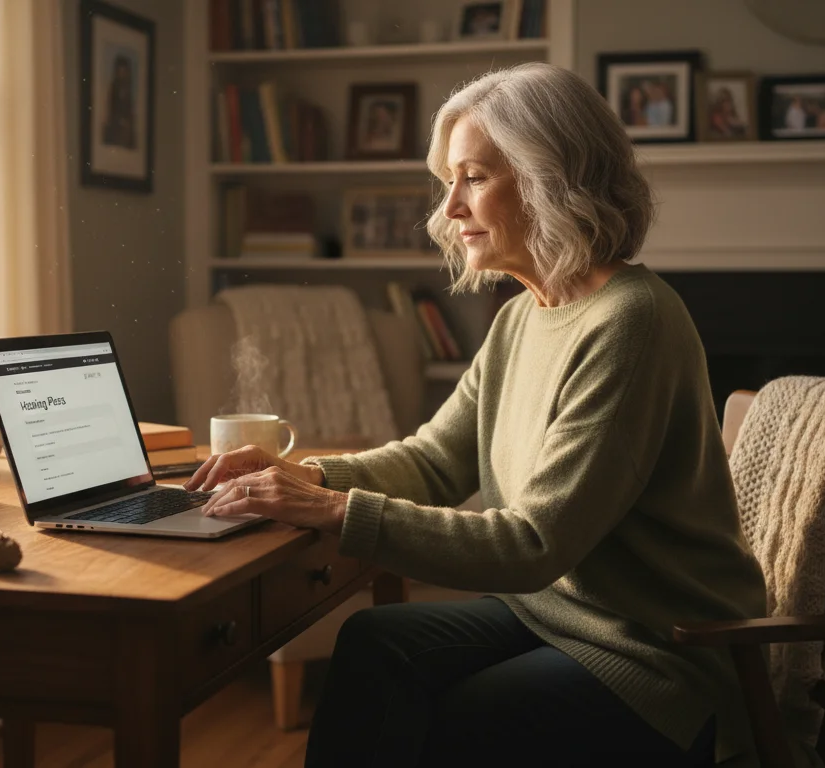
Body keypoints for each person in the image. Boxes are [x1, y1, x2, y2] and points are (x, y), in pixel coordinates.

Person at [187, 61, 767, 767]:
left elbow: (532, 547)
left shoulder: (631, 320)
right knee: (374, 645)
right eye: (449, 180)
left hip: (656, 653)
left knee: (460, 719)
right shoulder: (524, 316)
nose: (450, 208)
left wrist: (335, 512)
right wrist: (301, 475)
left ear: (554, 178)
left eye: (476, 177)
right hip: (552, 618)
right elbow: (434, 461)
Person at [101, 53, 135, 148]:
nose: (122, 74)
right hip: (115, 124)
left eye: (124, 71)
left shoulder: (128, 91)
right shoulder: (113, 89)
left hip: (125, 125)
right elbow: (111, 108)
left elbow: (129, 110)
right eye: (120, 71)